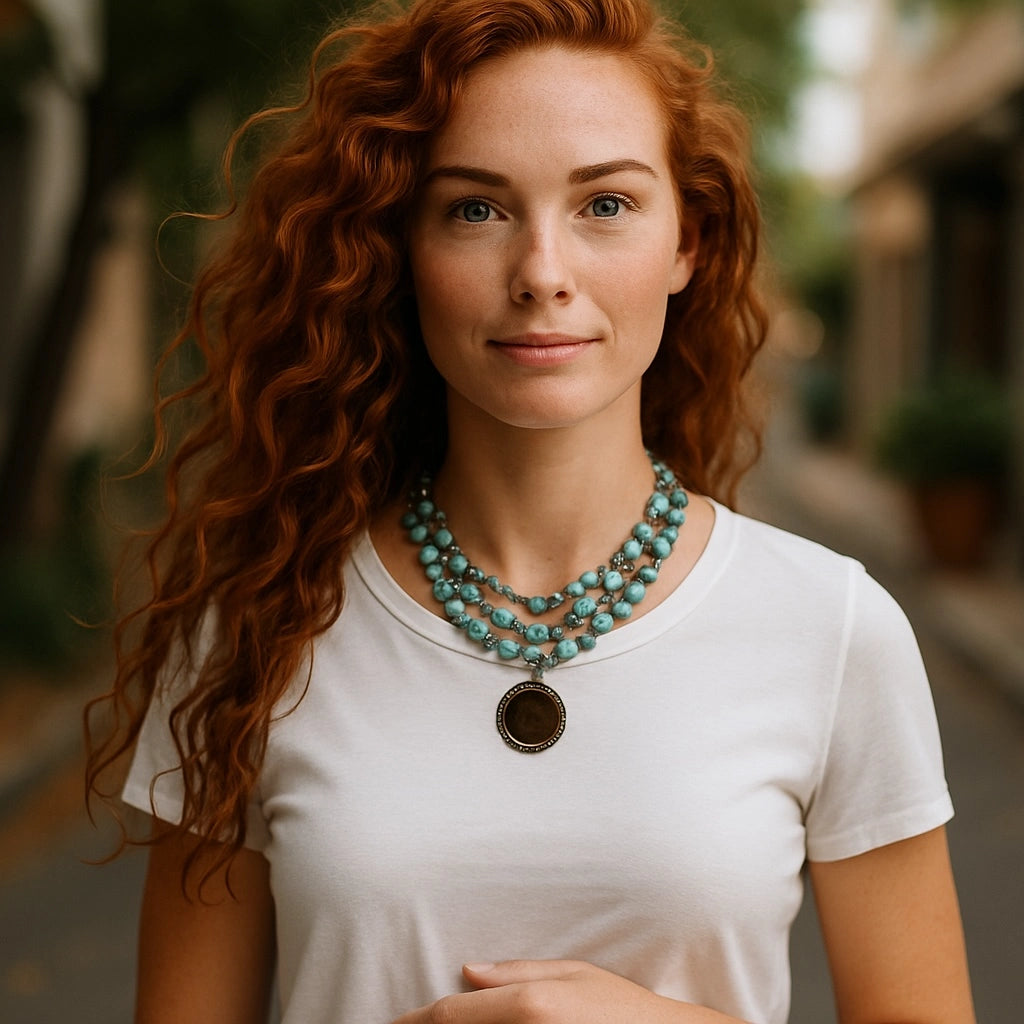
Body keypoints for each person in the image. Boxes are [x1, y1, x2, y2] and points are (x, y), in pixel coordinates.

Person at [85, 0, 976, 1021]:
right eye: (476, 209)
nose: (541, 274)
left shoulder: (833, 628)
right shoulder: (258, 626)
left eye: (605, 206)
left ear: (688, 241)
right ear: (400, 247)